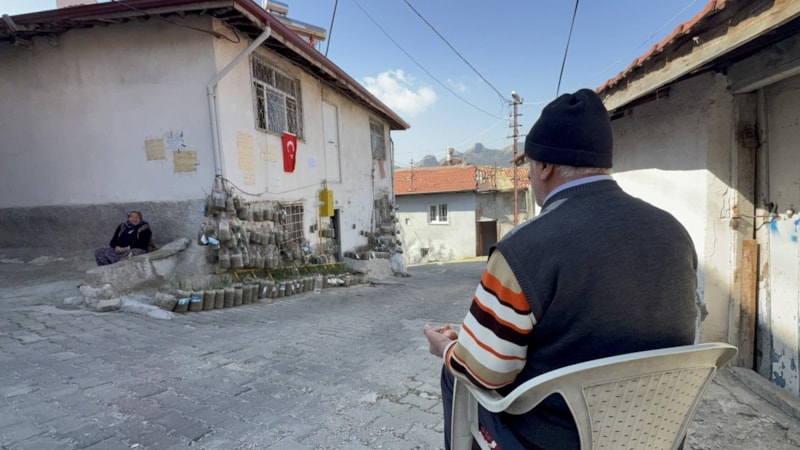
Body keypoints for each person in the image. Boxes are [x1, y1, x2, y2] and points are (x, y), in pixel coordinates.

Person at [423, 88, 698, 449]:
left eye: (530, 166)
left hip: (556, 439)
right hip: (653, 432)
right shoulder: (675, 232)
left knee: (454, 373)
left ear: (545, 167)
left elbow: (485, 373)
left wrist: (448, 348)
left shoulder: (521, 248)